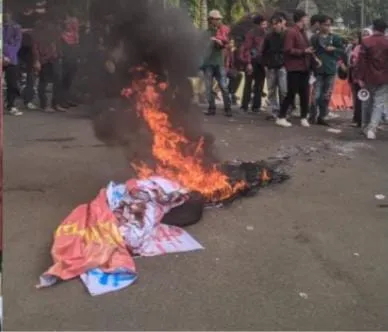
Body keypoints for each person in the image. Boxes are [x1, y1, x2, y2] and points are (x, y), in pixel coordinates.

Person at [276, 10, 312, 128]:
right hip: (294, 67)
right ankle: (281, 116)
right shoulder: (292, 32)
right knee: (291, 93)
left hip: (304, 67)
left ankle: (303, 117)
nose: (307, 20)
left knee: (305, 93)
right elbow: (288, 49)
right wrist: (303, 51)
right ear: (301, 19)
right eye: (306, 18)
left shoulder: (303, 33)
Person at [354, 19, 388, 139]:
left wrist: (359, 77)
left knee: (367, 102)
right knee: (378, 104)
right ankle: (372, 129)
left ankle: (365, 126)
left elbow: (361, 62)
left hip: (368, 77)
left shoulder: (366, 41)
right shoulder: (387, 42)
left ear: (373, 28)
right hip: (384, 78)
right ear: (384, 29)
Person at [309, 15, 343, 125]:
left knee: (326, 94)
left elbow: (341, 51)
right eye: (325, 24)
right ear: (320, 24)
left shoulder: (335, 38)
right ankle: (313, 115)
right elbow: (311, 52)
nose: (327, 27)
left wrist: (334, 49)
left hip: (331, 69)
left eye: (329, 25)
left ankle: (322, 116)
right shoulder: (314, 38)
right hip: (318, 69)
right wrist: (314, 60)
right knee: (316, 94)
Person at [202, 9, 232, 117]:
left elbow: (228, 45)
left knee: (224, 86)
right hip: (208, 63)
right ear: (211, 20)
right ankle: (211, 108)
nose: (218, 20)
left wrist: (221, 43)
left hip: (219, 63)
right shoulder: (206, 33)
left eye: (219, 19)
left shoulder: (224, 31)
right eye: (216, 19)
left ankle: (228, 109)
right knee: (208, 87)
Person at [32, 18, 66, 113]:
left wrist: (60, 55)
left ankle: (55, 103)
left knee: (58, 80)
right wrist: (37, 61)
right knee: (44, 82)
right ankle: (45, 104)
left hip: (55, 59)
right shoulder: (39, 34)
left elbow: (58, 46)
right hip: (44, 60)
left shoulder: (56, 35)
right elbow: (35, 49)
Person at [240, 15, 268, 113]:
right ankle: (244, 105)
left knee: (259, 84)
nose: (266, 26)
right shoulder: (251, 34)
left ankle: (256, 106)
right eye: (264, 24)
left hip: (261, 62)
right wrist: (248, 63)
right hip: (252, 61)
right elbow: (247, 49)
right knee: (248, 83)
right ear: (258, 24)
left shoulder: (265, 34)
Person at [261, 14, 287, 119]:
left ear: (282, 23)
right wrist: (265, 64)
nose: (275, 26)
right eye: (273, 24)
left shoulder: (286, 35)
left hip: (282, 65)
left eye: (277, 23)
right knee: (271, 90)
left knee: (283, 90)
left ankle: (283, 111)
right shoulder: (269, 36)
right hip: (271, 65)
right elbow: (264, 51)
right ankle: (274, 111)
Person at [17, 6, 38, 110]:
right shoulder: (17, 15)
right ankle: (13, 98)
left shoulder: (36, 16)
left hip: (30, 49)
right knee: (15, 74)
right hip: (18, 48)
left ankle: (28, 100)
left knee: (31, 76)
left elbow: (37, 31)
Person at [3, 8, 23, 116]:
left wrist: (9, 56)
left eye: (8, 12)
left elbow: (17, 43)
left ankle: (11, 105)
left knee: (12, 83)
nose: (6, 14)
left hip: (11, 58)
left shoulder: (16, 26)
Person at [60, 9, 80, 108]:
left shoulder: (75, 36)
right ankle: (62, 100)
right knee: (64, 79)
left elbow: (76, 43)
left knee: (71, 79)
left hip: (72, 58)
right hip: (65, 59)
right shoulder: (62, 36)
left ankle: (68, 99)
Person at [348, 32, 362, 127]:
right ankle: (358, 118)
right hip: (355, 76)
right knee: (357, 98)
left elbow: (354, 61)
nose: (354, 40)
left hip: (363, 77)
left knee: (362, 99)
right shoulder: (353, 48)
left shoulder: (359, 48)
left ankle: (361, 119)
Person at [224, 39, 243, 105]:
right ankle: (230, 94)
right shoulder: (225, 50)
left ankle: (232, 92)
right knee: (234, 75)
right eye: (231, 43)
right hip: (223, 69)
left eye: (233, 43)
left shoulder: (232, 51)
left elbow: (234, 62)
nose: (232, 44)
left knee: (239, 75)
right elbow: (224, 62)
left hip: (230, 69)